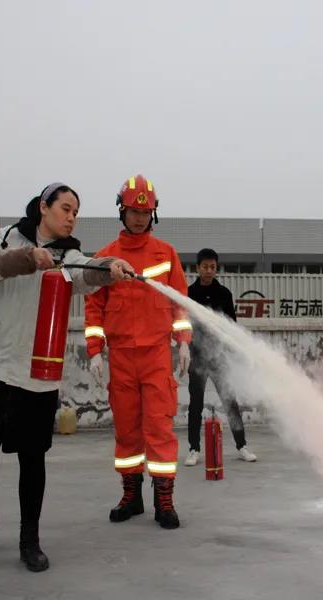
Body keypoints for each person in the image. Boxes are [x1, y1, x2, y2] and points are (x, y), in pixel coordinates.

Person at [0, 182, 133, 572]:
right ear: (44, 207)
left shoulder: (69, 254)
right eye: (66, 208)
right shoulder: (10, 236)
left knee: (31, 457)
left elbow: (87, 274)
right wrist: (25, 258)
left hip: (38, 371)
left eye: (76, 212)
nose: (72, 216)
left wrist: (111, 269)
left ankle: (29, 539)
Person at [84, 174, 192, 530]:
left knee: (159, 428)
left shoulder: (166, 254)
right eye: (133, 210)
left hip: (156, 356)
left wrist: (184, 342)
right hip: (122, 357)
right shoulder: (104, 258)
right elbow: (94, 308)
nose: (139, 217)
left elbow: (180, 302)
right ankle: (131, 495)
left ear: (154, 213)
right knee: (127, 430)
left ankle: (165, 499)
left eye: (146, 211)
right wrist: (95, 350)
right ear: (122, 210)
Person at [184, 248, 256, 466]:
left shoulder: (224, 294)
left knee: (230, 402)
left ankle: (241, 445)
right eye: (205, 267)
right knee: (195, 404)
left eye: (212, 267)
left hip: (219, 358)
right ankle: (194, 449)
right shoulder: (188, 293)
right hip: (196, 358)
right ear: (197, 268)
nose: (209, 271)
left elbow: (231, 327)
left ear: (216, 268)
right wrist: (185, 349)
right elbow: (183, 325)